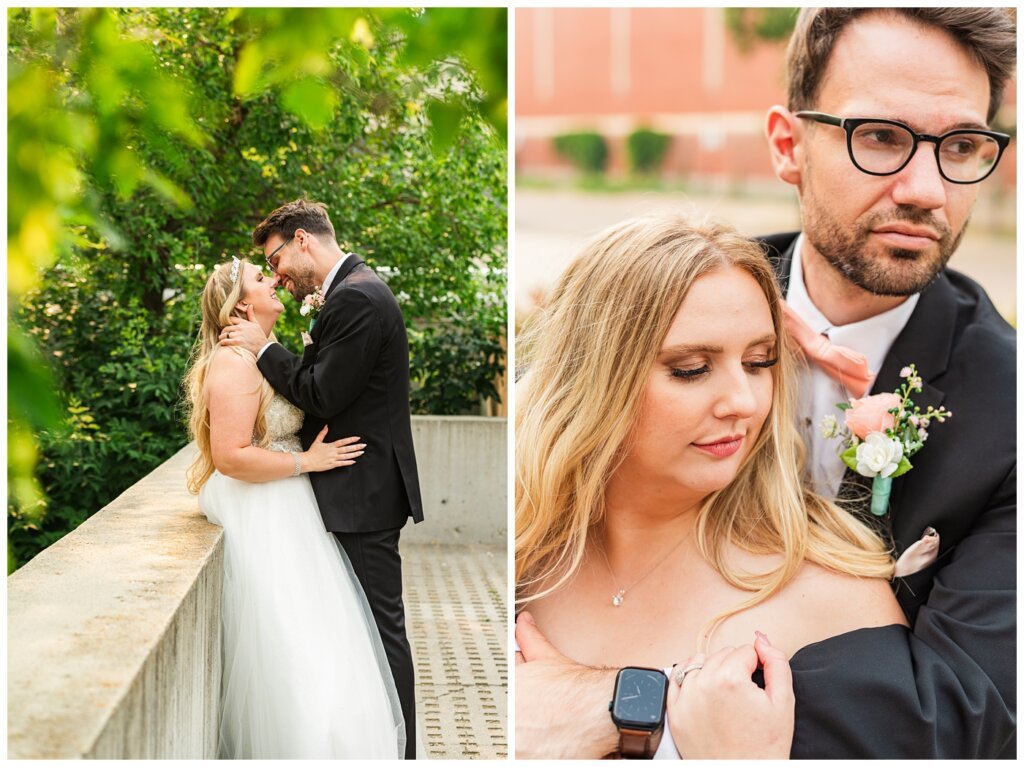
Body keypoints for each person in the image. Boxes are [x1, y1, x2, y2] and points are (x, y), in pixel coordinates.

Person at [516, 7, 1016, 759]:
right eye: (880, 136)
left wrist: (620, 700)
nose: (925, 189)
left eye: (963, 144)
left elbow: (963, 716)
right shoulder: (684, 288)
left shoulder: (1010, 411)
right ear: (788, 145)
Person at [516, 214, 912, 759]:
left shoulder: (835, 603)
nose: (744, 403)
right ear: (595, 377)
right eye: (692, 368)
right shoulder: (521, 552)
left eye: (759, 362)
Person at [220, 199, 423, 759]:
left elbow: (322, 393)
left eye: (276, 258)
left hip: (361, 487)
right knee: (362, 630)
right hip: (350, 485)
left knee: (381, 633)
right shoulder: (349, 291)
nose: (278, 273)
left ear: (304, 240)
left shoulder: (356, 297)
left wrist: (264, 349)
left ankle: (400, 751)